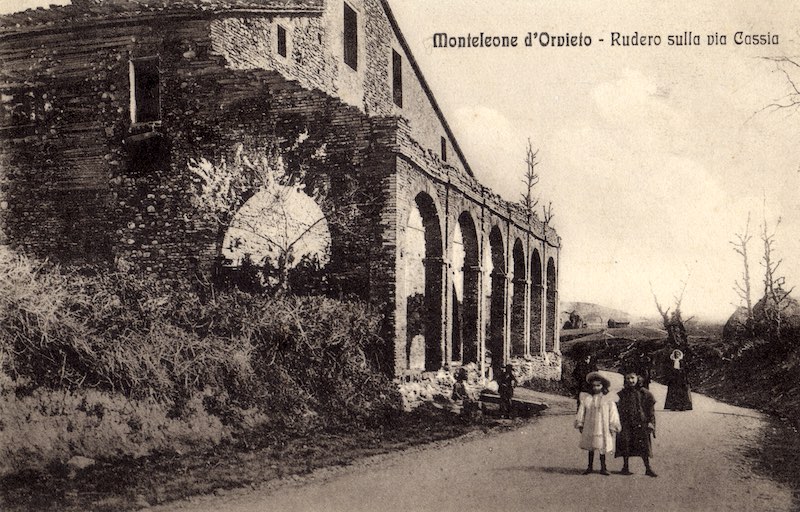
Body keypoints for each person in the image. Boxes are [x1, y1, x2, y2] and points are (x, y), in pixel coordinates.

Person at [575, 372, 621, 475]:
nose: (596, 388)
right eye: (594, 386)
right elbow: (582, 410)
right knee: (591, 446)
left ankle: (603, 467)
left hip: (602, 426)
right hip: (590, 425)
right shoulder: (587, 398)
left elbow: (613, 412)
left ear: (603, 386)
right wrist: (580, 423)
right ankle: (589, 467)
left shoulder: (608, 399)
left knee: (602, 445)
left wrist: (613, 425)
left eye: (598, 385)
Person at [616, 371, 658, 477]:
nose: (630, 380)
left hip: (641, 422)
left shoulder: (645, 393)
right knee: (625, 443)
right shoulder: (623, 393)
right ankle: (625, 467)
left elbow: (651, 410)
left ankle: (648, 468)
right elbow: (618, 409)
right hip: (626, 422)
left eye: (632, 378)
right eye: (628, 378)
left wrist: (651, 422)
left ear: (637, 378)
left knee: (643, 445)